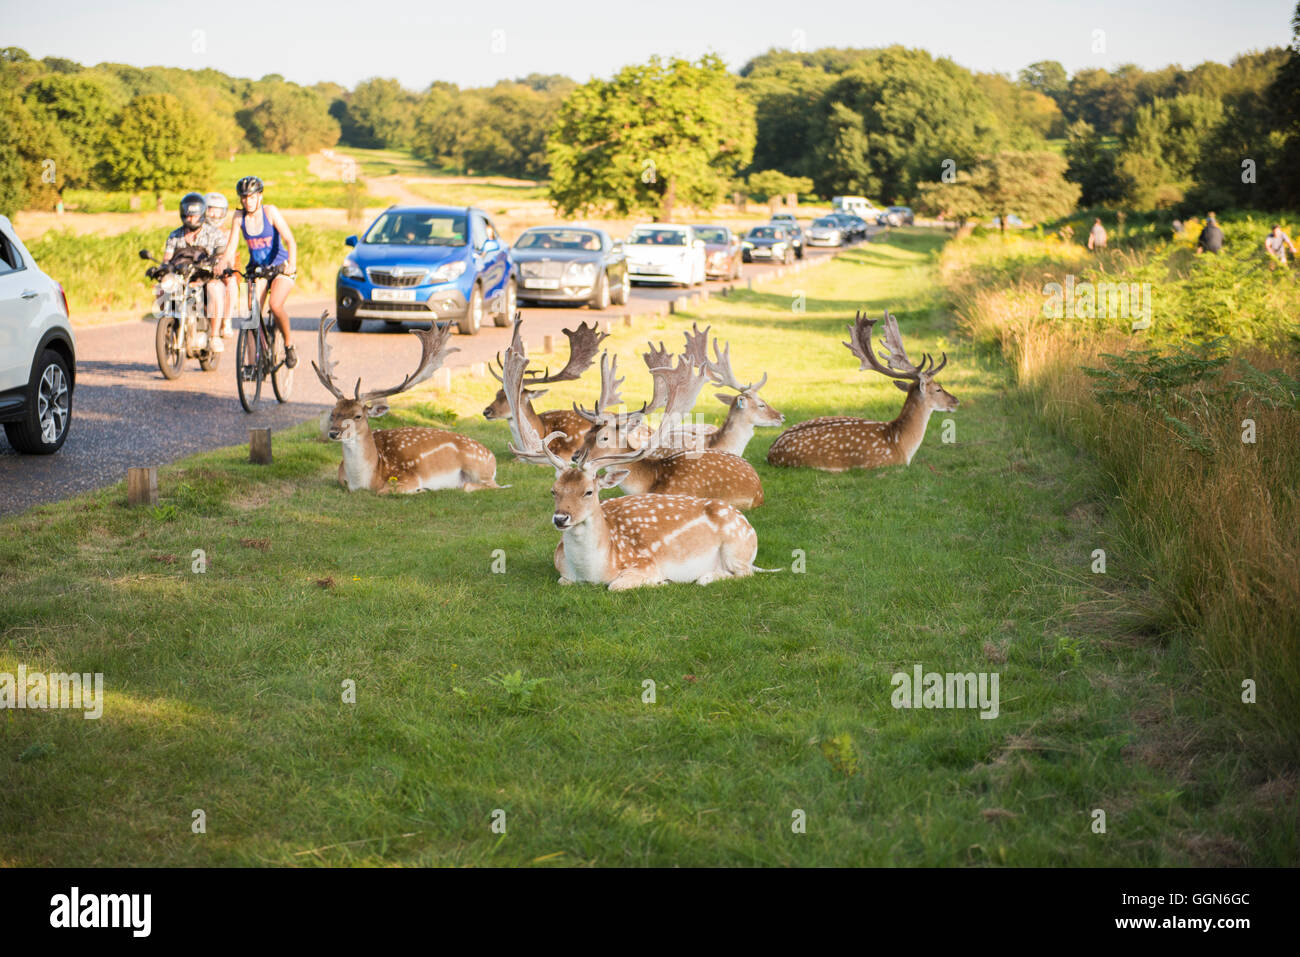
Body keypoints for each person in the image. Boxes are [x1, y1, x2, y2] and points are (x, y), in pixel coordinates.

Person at [218, 176, 298, 367]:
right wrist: (222, 263)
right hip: (257, 270)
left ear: (259, 197)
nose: (248, 201)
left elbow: (290, 240)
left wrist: (292, 263)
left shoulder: (270, 212)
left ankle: (289, 345)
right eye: (244, 198)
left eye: (252, 197)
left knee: (275, 305)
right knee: (249, 315)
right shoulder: (239, 217)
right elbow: (231, 247)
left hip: (280, 267)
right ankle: (252, 364)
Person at [162, 192, 228, 352]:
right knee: (162, 287)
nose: (191, 219)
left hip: (205, 276)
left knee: (215, 288)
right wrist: (162, 268)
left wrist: (216, 265)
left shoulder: (214, 234)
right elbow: (167, 258)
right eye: (188, 216)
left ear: (202, 215)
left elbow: (220, 255)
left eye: (195, 216)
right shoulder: (174, 235)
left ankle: (214, 336)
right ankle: (169, 325)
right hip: (181, 277)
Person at [204, 192, 238, 340]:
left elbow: (230, 257)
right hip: (199, 270)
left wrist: (223, 265)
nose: (215, 214)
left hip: (218, 271)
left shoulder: (228, 233)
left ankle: (227, 321)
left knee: (231, 282)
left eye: (219, 211)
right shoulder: (198, 229)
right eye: (211, 209)